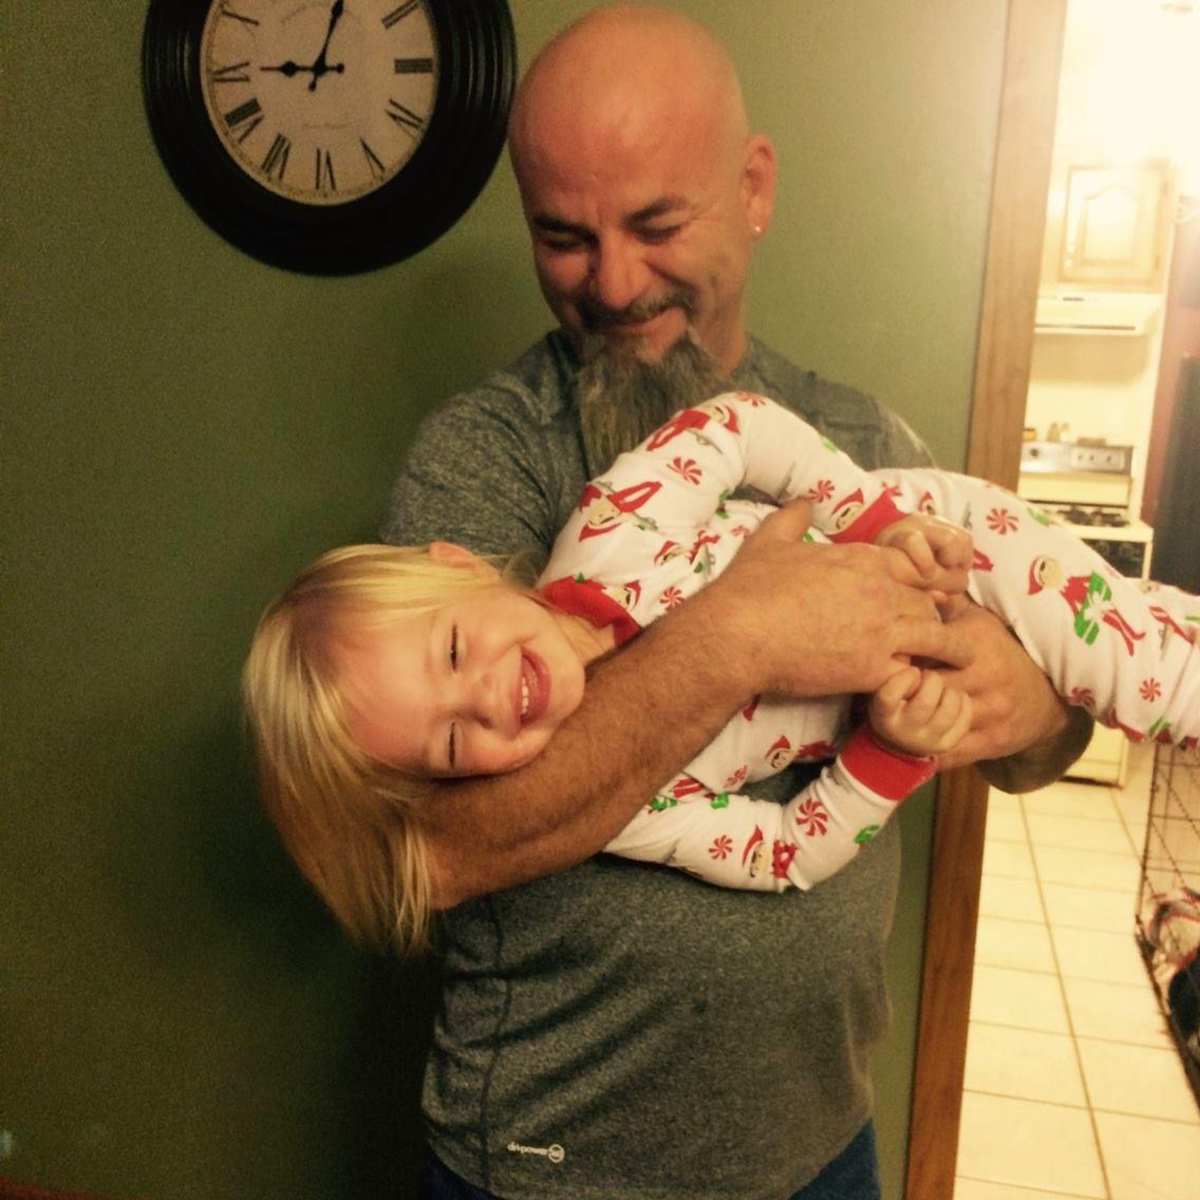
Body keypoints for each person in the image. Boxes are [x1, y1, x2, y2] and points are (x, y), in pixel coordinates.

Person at [376, 6, 1097, 1197]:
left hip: (819, 1146)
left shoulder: (864, 441)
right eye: (563, 237)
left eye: (657, 225)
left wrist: (1029, 704)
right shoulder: (485, 460)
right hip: (548, 1165)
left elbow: (1040, 755)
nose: (613, 281)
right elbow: (437, 850)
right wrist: (745, 631)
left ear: (753, 189)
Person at [244, 390, 1198, 956]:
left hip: (943, 542)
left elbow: (739, 426)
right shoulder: (625, 809)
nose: (488, 695)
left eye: (454, 649)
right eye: (452, 742)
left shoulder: (610, 535)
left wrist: (876, 525)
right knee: (1151, 638)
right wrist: (893, 753)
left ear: (459, 566)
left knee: (1145, 675)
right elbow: (784, 852)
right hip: (912, 688)